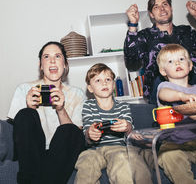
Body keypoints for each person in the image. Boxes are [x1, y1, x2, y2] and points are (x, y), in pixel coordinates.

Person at [8, 41, 85, 184]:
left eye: (57, 56)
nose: (52, 61)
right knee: (25, 114)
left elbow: (75, 137)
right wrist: (29, 107)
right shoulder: (24, 89)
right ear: (40, 65)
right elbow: (20, 133)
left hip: (61, 153)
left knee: (71, 130)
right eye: (46, 57)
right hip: (32, 153)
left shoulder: (77, 94)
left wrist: (61, 109)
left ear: (65, 64)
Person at [74, 63, 153, 184]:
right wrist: (90, 134)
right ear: (90, 88)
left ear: (113, 84)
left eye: (108, 79)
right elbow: (87, 133)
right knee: (85, 162)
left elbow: (130, 130)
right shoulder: (88, 106)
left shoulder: (123, 106)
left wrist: (127, 127)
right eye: (98, 80)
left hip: (118, 147)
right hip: (94, 149)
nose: (104, 83)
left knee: (122, 160)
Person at [124, 0, 196, 104]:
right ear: (151, 14)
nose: (162, 8)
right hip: (161, 91)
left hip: (193, 86)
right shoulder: (145, 36)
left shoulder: (186, 31)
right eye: (156, 7)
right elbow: (131, 62)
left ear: (171, 8)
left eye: (165, 4)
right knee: (160, 80)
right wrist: (133, 25)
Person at [156, 44, 196, 184]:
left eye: (181, 59)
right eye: (170, 61)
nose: (177, 63)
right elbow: (165, 95)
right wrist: (182, 96)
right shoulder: (165, 88)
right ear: (163, 71)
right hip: (173, 144)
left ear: (190, 65)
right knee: (168, 156)